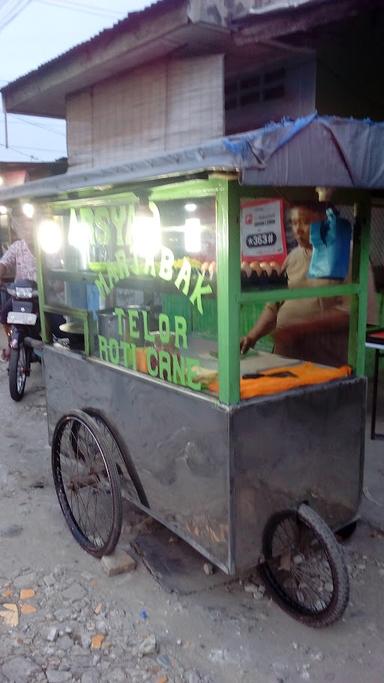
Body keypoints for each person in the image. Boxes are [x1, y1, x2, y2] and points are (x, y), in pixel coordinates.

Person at [240, 202, 377, 367]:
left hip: (326, 363)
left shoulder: (349, 256)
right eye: (294, 222)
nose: (298, 230)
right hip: (286, 359)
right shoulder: (293, 257)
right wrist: (252, 337)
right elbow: (274, 306)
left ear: (326, 222)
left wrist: (298, 330)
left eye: (305, 222)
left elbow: (352, 313)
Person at [0, 211, 36, 360]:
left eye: (30, 227)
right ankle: (11, 341)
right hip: (19, 295)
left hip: (39, 296)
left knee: (55, 326)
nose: (27, 231)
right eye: (24, 228)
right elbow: (4, 263)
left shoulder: (46, 246)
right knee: (4, 315)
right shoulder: (17, 246)